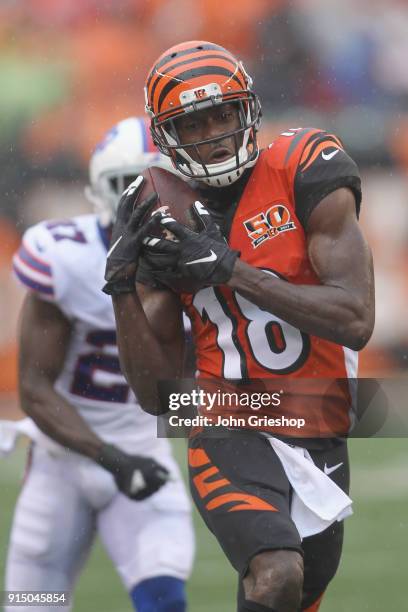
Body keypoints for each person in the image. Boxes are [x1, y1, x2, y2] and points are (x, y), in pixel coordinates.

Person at [104, 42, 375, 612]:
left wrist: (233, 272)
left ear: (247, 110)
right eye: (191, 123)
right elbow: (156, 395)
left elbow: (355, 319)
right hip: (226, 419)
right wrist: (123, 288)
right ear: (166, 134)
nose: (212, 135)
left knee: (293, 592)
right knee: (275, 573)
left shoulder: (304, 165)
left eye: (222, 115)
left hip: (317, 415)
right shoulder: (160, 210)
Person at [7, 117, 195, 612]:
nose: (140, 204)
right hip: (61, 462)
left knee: (164, 599)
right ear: (98, 190)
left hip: (144, 452)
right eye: (125, 187)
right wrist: (111, 457)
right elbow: (35, 390)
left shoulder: (203, 259)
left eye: (153, 185)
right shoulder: (64, 256)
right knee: (33, 602)